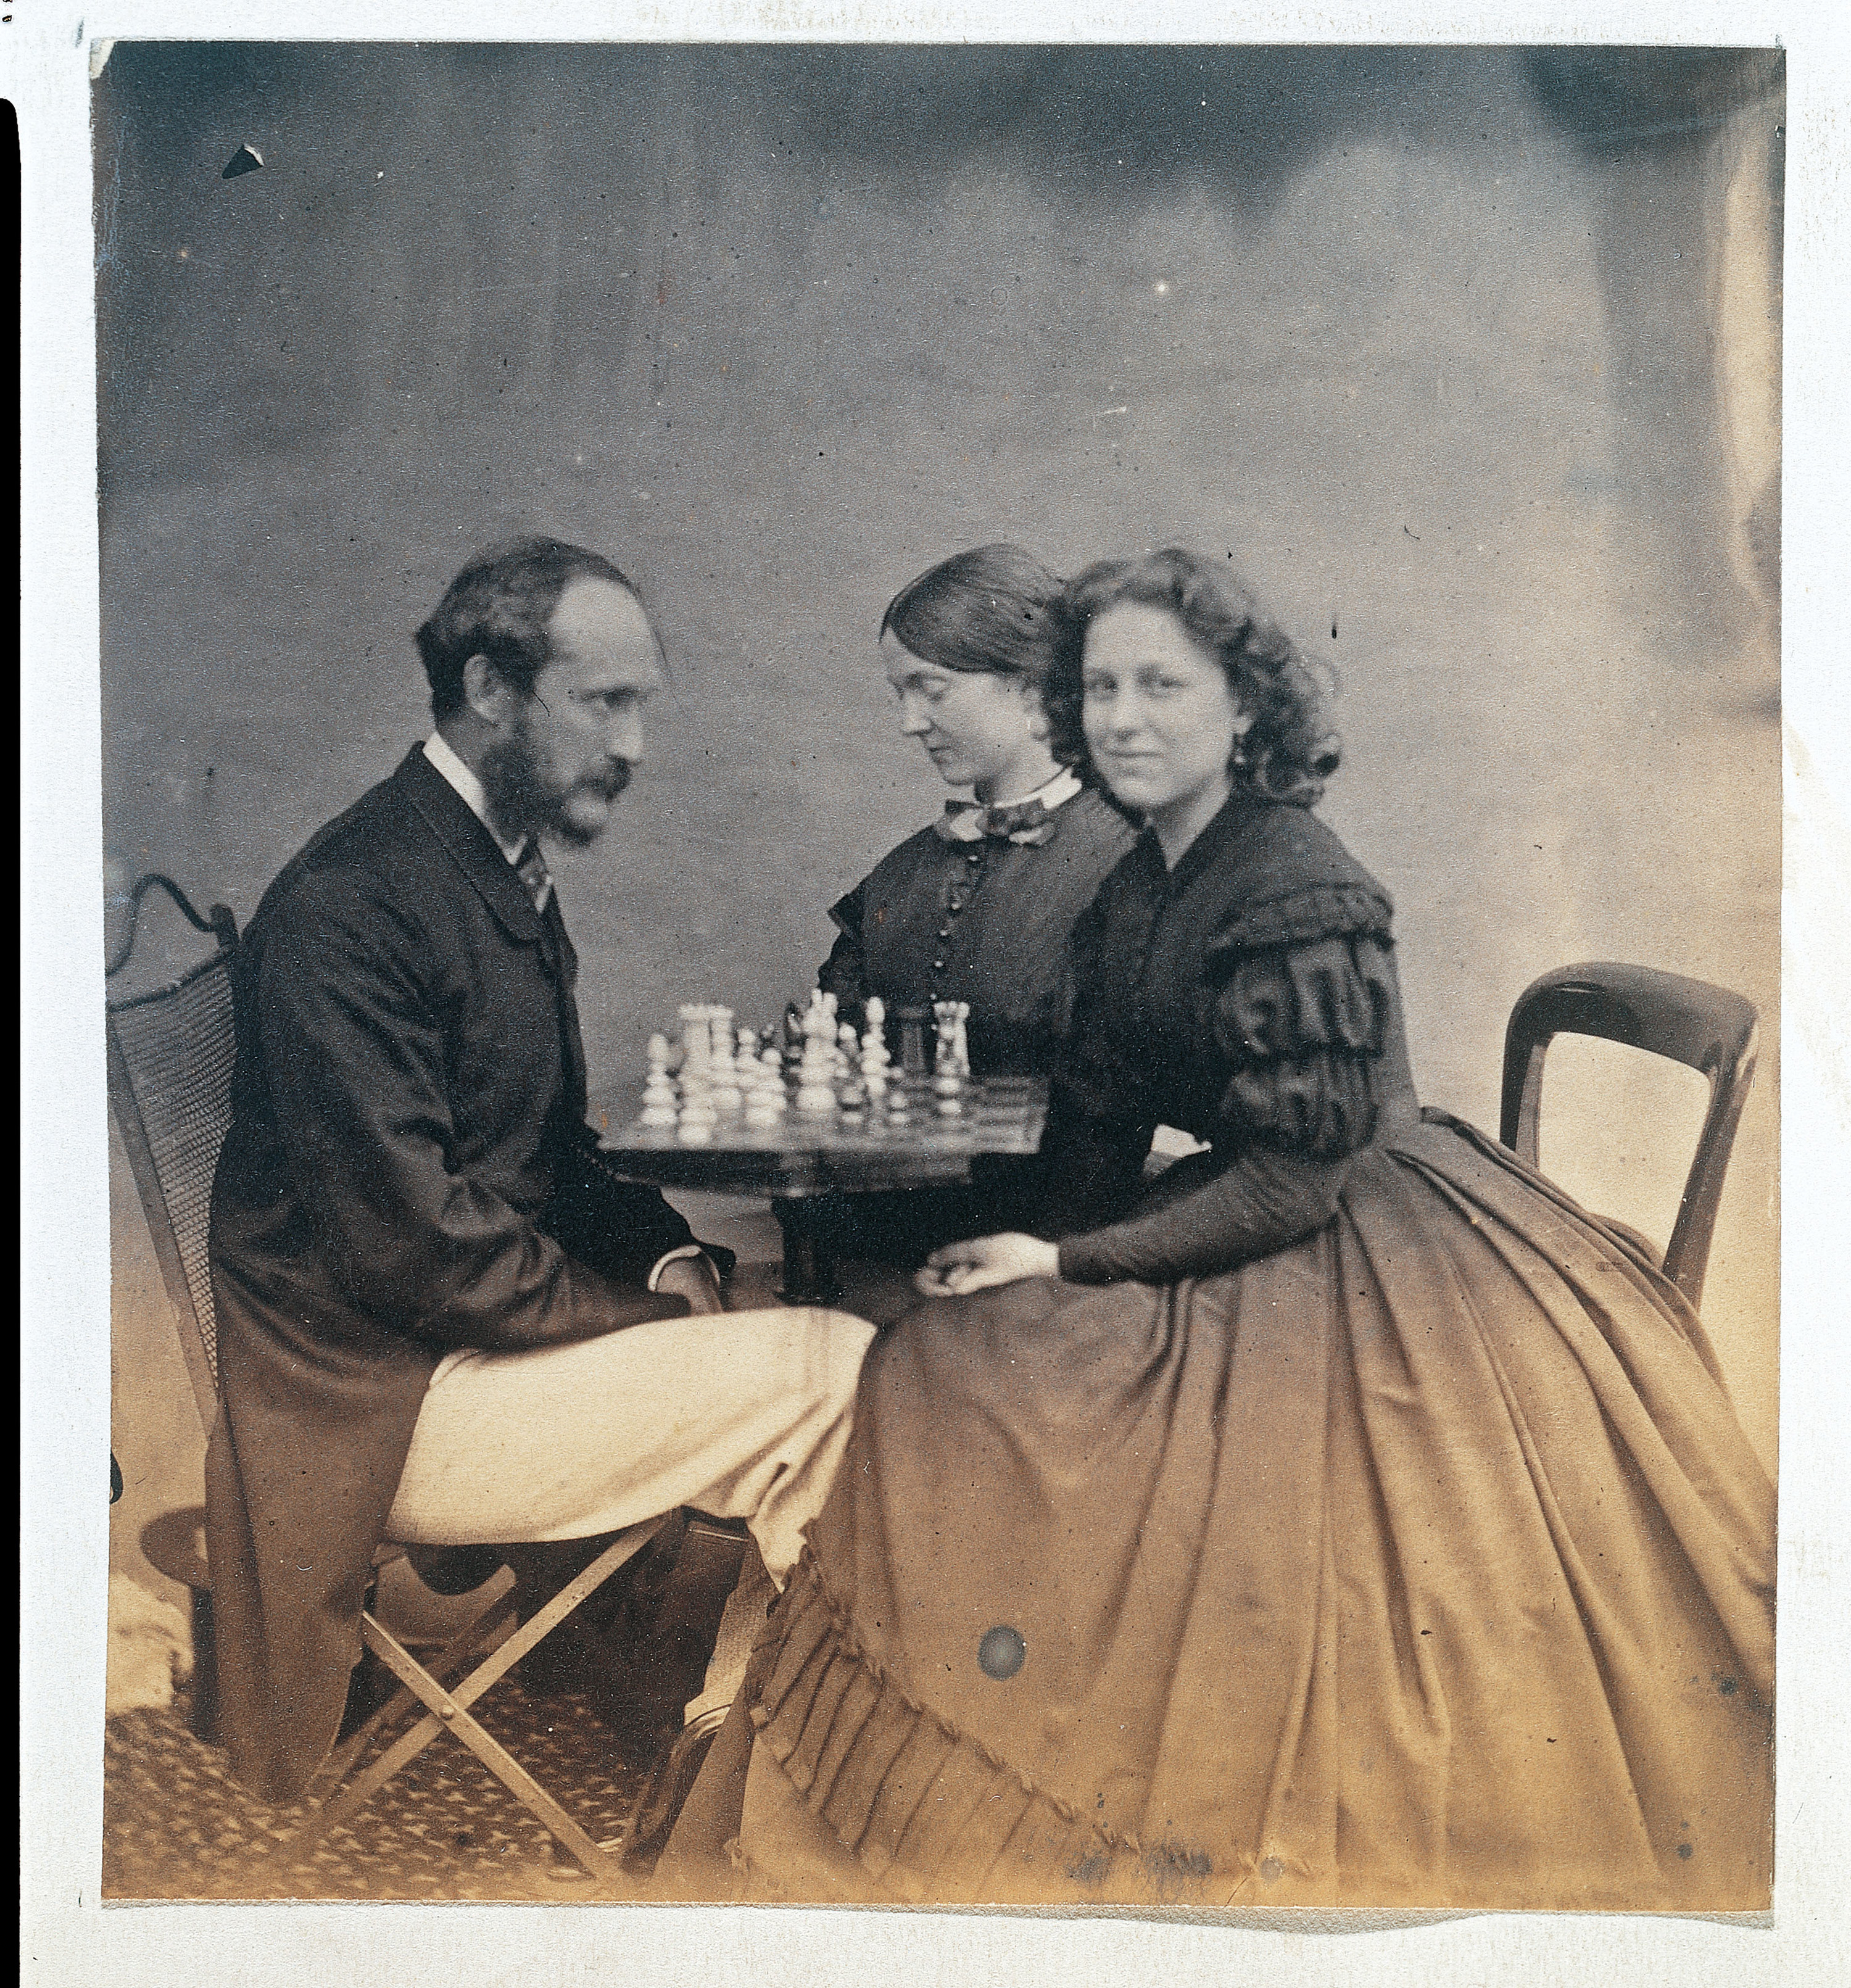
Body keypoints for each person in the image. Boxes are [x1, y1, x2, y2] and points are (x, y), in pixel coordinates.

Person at [697, 549, 1774, 1910]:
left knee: (1046, 1412)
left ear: (1244, 710)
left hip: (1368, 1240)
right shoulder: (1139, 877)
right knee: (956, 1361)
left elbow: (1294, 1184)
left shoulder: (1297, 882)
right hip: (1231, 1215)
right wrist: (1013, 1257)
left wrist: (1074, 1264)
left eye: (1165, 688)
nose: (1127, 721)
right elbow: (1094, 1114)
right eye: (1102, 691)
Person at [204, 537, 875, 1804]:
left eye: (642, 706)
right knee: (833, 1370)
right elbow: (415, 1247)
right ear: (491, 688)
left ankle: (749, 1746)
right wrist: (644, 1320)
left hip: (456, 1356)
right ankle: (787, 1782)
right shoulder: (354, 904)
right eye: (604, 701)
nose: (636, 746)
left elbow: (550, 1158)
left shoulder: (488, 868)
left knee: (803, 1327)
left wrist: (672, 1257)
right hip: (370, 1411)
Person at [801, 545, 1137, 1267]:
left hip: (1068, 1261)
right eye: (899, 694)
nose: (908, 723)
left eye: (931, 690)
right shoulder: (898, 878)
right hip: (884, 1251)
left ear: (1028, 685)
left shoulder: (1131, 864)